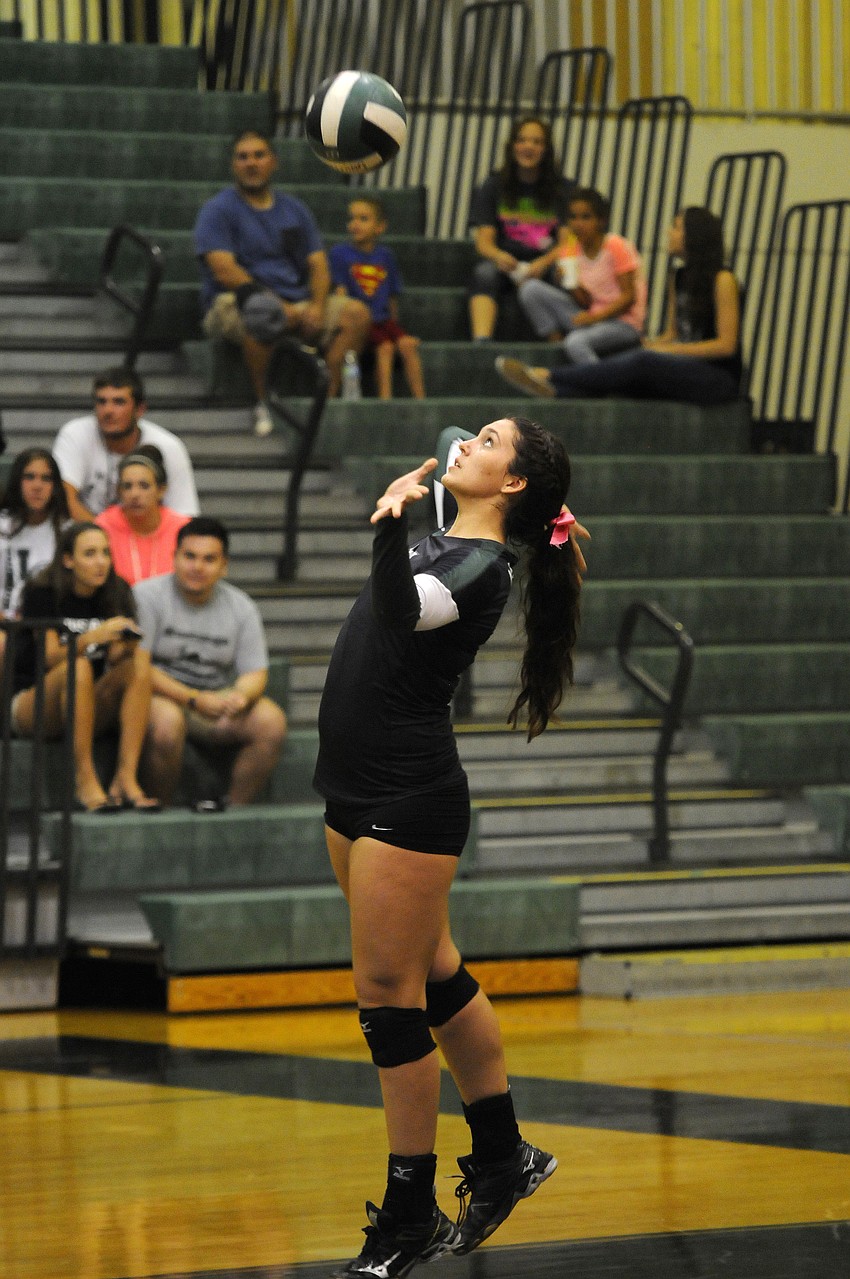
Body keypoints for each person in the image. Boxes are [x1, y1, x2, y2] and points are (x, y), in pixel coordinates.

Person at [313, 417, 587, 1278]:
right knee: (431, 970)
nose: (468, 437)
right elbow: (449, 441)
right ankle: (504, 1156)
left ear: (509, 487)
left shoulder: (480, 567)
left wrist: (396, 517)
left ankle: (408, 1210)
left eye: (492, 439)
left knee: (387, 1001)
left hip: (408, 799)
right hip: (353, 788)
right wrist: (515, 491)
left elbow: (403, 604)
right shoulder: (454, 532)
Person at [194, 129, 371, 435]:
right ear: (234, 165)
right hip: (236, 300)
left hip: (297, 299)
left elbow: (317, 263)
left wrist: (315, 306)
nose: (251, 163)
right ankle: (263, 403)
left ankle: (325, 402)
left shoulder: (294, 209)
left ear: (273, 162)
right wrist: (278, 305)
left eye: (259, 155)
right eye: (243, 157)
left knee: (356, 314)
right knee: (263, 315)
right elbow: (224, 269)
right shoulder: (218, 209)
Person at [496, 206, 742, 405]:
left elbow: (725, 346)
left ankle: (547, 375)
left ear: (695, 235)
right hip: (684, 366)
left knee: (643, 362)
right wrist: (655, 344)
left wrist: (664, 352)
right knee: (629, 375)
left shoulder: (723, 279)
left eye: (677, 227)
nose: (670, 233)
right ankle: (558, 391)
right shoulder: (678, 277)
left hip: (716, 377)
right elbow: (673, 334)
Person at [133, 516, 287, 808]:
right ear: (174, 557)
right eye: (189, 556)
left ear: (224, 565)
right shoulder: (146, 596)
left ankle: (231, 809)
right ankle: (160, 811)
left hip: (213, 702)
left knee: (271, 722)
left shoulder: (242, 607)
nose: (197, 567)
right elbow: (138, 667)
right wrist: (193, 699)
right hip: (159, 696)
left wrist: (240, 697)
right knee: (167, 723)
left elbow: (255, 672)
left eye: (209, 559)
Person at [10, 522, 157, 812]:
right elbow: (49, 657)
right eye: (89, 554)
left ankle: (125, 777)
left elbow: (114, 660)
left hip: (85, 701)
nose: (101, 562)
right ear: (68, 560)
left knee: (139, 661)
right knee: (78, 668)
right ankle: (84, 778)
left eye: (105, 553)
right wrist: (93, 637)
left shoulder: (116, 591)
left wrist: (124, 644)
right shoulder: (42, 592)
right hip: (33, 701)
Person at [467, 117, 575, 341]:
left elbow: (568, 243)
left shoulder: (562, 189)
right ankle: (482, 342)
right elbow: (483, 242)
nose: (529, 147)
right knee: (483, 274)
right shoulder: (494, 185)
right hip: (506, 262)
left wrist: (543, 263)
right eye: (522, 140)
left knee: (567, 274)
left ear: (546, 150)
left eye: (537, 142)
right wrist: (499, 257)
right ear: (513, 147)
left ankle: (561, 342)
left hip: (546, 262)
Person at [517, 186, 646, 363]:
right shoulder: (570, 250)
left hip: (622, 323)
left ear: (601, 221)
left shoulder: (616, 246)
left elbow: (629, 297)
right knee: (530, 289)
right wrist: (570, 284)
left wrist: (594, 318)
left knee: (576, 342)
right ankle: (558, 347)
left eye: (586, 217)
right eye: (573, 217)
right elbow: (585, 302)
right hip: (590, 316)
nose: (578, 224)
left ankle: (598, 383)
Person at [53, 367, 199, 521]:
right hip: (85, 539)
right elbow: (64, 498)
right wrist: (104, 540)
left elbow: (184, 517)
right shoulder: (75, 434)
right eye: (101, 401)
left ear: (140, 409)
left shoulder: (168, 446)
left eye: (118, 402)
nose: (108, 410)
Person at [330, 197, 426, 400]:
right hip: (363, 323)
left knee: (407, 344)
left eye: (363, 218)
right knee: (386, 347)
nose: (355, 224)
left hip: (384, 320)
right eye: (352, 218)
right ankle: (385, 399)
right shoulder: (340, 253)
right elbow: (340, 293)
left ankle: (421, 399)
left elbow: (391, 297)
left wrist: (397, 329)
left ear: (380, 226)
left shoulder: (385, 256)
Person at [1, 449, 70, 668]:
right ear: (17, 481)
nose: (37, 486)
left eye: (46, 478)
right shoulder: (1, 526)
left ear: (55, 486)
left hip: (50, 628)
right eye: (29, 476)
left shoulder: (68, 533)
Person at [95, 446, 189, 586]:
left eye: (144, 486)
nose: (135, 494)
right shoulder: (102, 527)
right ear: (119, 492)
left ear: (161, 490)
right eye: (127, 486)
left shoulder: (183, 529)